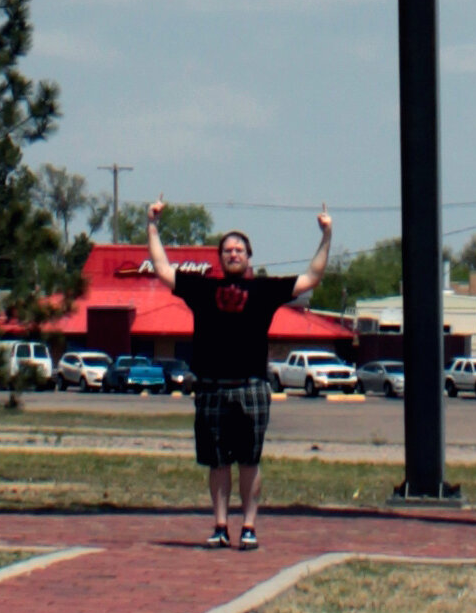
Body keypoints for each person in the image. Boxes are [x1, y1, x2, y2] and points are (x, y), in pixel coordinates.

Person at [142, 202, 333, 550]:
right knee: (217, 463)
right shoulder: (202, 289)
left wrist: (326, 235)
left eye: (239, 250)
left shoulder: (265, 290)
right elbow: (162, 269)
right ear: (220, 257)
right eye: (228, 250)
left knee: (249, 461)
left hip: (251, 387)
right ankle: (219, 526)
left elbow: (312, 277)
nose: (233, 254)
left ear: (249, 256)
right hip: (211, 388)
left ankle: (248, 527)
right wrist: (152, 226)